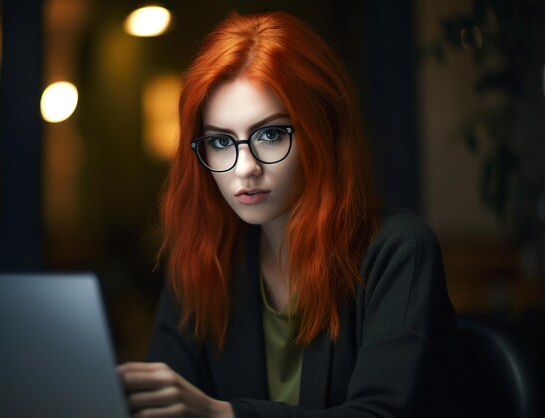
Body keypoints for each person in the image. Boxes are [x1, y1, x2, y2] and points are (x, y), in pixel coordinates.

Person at [118, 11, 456, 418]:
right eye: (222, 141)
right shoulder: (204, 256)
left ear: (323, 129)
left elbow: (380, 413)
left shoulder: (400, 251)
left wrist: (224, 415)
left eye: (271, 134)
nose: (245, 168)